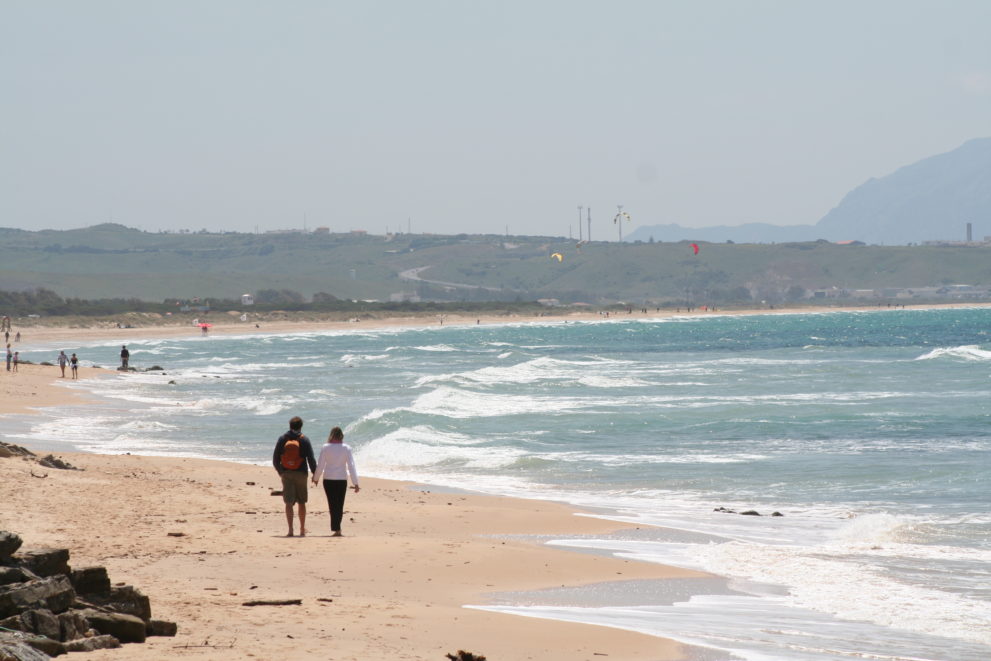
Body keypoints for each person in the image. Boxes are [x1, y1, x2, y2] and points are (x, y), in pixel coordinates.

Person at [311, 427, 360, 537]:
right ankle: (337, 528)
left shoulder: (326, 447)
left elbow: (321, 465)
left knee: (332, 504)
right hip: (341, 480)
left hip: (328, 480)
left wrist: (316, 478)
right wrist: (355, 482)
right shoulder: (346, 448)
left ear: (331, 435)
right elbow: (351, 466)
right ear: (342, 436)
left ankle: (336, 528)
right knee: (339, 504)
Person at [272, 416, 317, 537]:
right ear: (301, 426)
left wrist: (281, 472)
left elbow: (275, 459)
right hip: (301, 473)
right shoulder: (304, 440)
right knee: (302, 502)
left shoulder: (282, 439)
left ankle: (290, 529)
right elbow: (311, 459)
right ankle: (302, 529)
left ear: (290, 425)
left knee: (288, 502)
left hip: (287, 473)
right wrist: (315, 474)